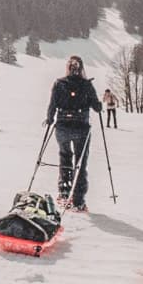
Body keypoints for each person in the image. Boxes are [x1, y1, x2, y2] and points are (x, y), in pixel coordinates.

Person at [44, 55, 102, 211]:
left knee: (65, 157)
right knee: (81, 163)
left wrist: (49, 119)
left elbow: (52, 105)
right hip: (81, 127)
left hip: (62, 127)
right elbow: (97, 107)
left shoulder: (59, 84)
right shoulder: (86, 85)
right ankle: (78, 200)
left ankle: (64, 192)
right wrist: (98, 104)